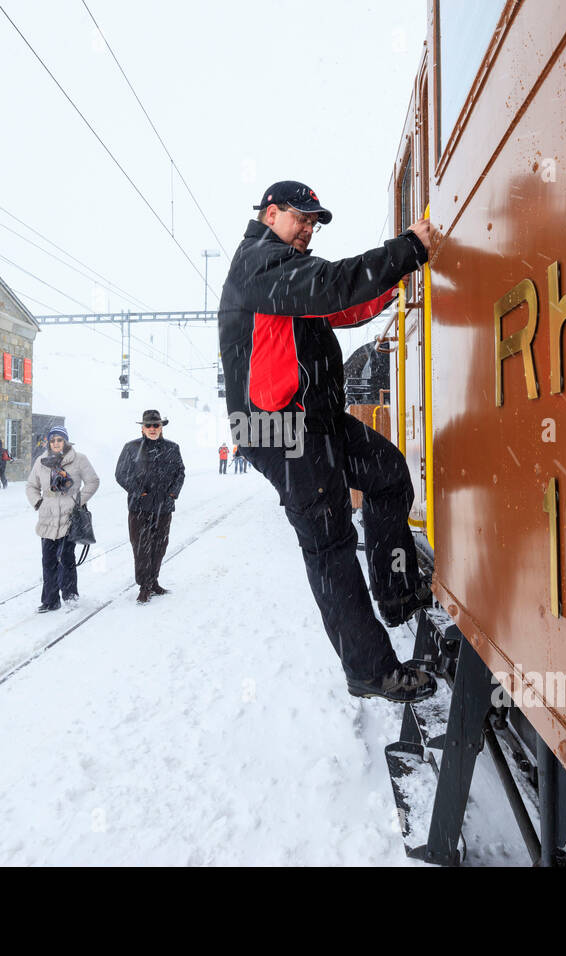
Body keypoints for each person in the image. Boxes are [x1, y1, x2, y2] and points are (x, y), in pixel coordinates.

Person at [217, 180, 441, 703]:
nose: (310, 229)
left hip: (316, 419)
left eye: (315, 223)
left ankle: (397, 594)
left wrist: (400, 276)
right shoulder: (259, 261)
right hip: (279, 429)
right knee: (331, 544)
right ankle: (368, 669)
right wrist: (406, 247)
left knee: (387, 474)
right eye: (303, 218)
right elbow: (334, 285)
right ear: (271, 214)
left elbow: (344, 308)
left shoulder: (284, 273)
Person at [114, 409, 185, 604]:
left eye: (156, 425)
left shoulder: (173, 448)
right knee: (140, 547)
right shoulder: (131, 448)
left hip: (164, 507)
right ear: (142, 428)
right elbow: (121, 474)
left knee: (159, 546)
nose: (152, 429)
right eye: (149, 425)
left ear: (161, 427)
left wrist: (172, 493)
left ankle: (154, 581)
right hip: (139, 508)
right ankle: (144, 586)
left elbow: (180, 472)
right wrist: (138, 491)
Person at [27, 426, 99, 612]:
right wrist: (38, 503)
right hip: (47, 518)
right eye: (53, 440)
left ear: (66, 441)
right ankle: (50, 600)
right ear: (49, 443)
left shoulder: (79, 459)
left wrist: (78, 501)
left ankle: (70, 596)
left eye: (60, 440)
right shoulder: (41, 462)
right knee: (48, 560)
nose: (56, 444)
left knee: (66, 557)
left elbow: (93, 481)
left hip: (69, 516)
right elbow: (31, 486)